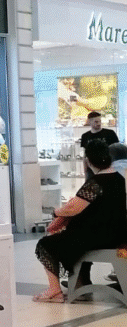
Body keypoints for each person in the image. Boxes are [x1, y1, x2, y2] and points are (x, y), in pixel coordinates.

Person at [34, 140, 127, 302]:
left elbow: (73, 208)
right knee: (73, 241)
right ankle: (80, 284)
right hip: (116, 234)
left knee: (45, 245)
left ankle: (54, 291)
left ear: (88, 161)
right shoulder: (119, 179)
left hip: (98, 238)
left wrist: (56, 212)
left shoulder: (95, 183)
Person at [80, 112, 119, 179]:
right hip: (92, 169)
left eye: (100, 121)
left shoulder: (110, 133)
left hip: (108, 167)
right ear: (89, 122)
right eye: (96, 122)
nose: (99, 123)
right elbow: (85, 156)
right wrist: (85, 173)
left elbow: (116, 151)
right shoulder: (85, 136)